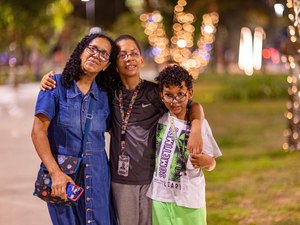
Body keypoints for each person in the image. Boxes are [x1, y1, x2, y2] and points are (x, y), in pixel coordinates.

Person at [40, 34, 204, 225]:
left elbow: (191, 105)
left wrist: (197, 127)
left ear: (142, 60)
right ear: (114, 64)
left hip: (151, 179)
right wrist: (49, 81)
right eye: (122, 55)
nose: (129, 58)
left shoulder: (155, 93)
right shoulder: (107, 92)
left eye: (134, 53)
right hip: (120, 182)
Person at [31, 33, 118, 225]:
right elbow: (38, 133)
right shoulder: (55, 86)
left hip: (98, 180)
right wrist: (55, 173)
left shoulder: (106, 97)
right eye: (93, 49)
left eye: (104, 54)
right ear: (81, 52)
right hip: (64, 179)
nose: (96, 55)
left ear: (107, 65)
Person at [146, 65, 222, 225]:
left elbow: (212, 163)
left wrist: (205, 162)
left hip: (190, 200)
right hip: (160, 197)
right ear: (161, 96)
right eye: (169, 95)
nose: (175, 101)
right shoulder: (160, 119)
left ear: (190, 93)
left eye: (180, 94)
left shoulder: (200, 125)